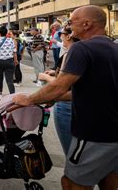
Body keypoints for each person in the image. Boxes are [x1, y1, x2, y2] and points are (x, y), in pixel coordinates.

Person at [12, 5, 118, 190]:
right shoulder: (113, 48)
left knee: (71, 182)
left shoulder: (82, 48)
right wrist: (56, 98)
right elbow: (96, 90)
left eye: (72, 22)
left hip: (93, 132)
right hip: (113, 131)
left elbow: (59, 85)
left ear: (86, 24)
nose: (68, 27)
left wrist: (28, 99)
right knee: (108, 178)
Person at [37, 25, 78, 155]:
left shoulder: (71, 53)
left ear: (68, 36)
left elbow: (61, 85)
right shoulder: (83, 52)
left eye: (62, 35)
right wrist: (55, 72)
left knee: (70, 150)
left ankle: (72, 174)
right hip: (75, 102)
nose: (61, 38)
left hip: (66, 105)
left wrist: (45, 77)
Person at [0, 26, 17, 96]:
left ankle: (0, 94)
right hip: (9, 61)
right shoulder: (11, 40)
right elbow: (14, 51)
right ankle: (12, 95)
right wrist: (15, 60)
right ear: (6, 33)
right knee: (10, 79)